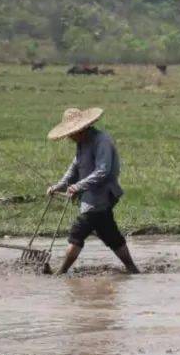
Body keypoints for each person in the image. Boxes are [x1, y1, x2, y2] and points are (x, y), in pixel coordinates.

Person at [46, 107, 140, 275]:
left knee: (77, 234)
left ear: (82, 128)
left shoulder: (101, 140)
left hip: (100, 197)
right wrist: (58, 186)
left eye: (72, 133)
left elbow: (103, 171)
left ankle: (60, 272)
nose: (70, 137)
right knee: (110, 235)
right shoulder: (81, 143)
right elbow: (74, 169)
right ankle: (132, 269)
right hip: (90, 199)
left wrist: (78, 186)